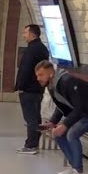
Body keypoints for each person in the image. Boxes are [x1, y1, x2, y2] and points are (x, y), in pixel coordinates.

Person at [36, 61, 88, 174]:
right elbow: (61, 106)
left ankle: (79, 172)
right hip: (82, 110)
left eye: (41, 75)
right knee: (58, 135)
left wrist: (65, 124)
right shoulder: (51, 85)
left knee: (72, 134)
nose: (38, 78)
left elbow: (79, 107)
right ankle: (74, 166)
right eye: (37, 75)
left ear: (50, 74)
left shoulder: (66, 82)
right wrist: (52, 122)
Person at [14, 23, 51, 154]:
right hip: (38, 89)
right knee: (35, 116)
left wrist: (20, 86)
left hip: (28, 89)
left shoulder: (31, 50)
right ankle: (33, 143)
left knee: (30, 117)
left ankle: (31, 145)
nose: (24, 35)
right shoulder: (43, 49)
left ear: (32, 34)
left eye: (25, 33)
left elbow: (25, 69)